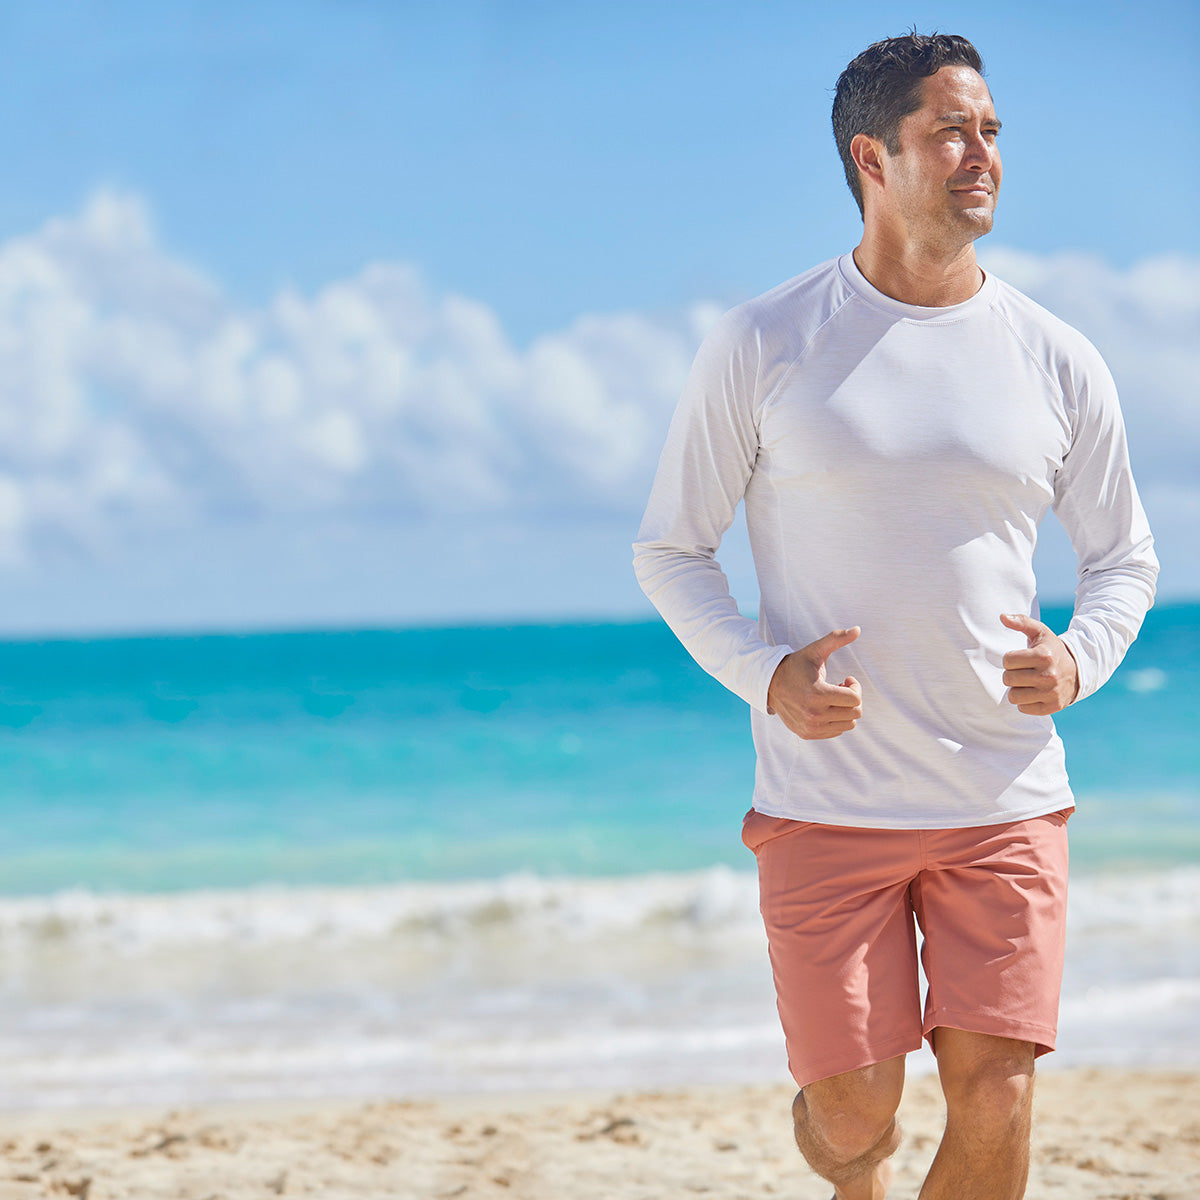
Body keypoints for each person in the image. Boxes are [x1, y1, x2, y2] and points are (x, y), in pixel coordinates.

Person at [632, 31, 1157, 1200]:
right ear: (873, 157)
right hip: (825, 806)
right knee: (857, 1120)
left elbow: (1125, 555)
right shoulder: (767, 342)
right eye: (952, 133)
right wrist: (768, 677)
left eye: (993, 131)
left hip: (1004, 797)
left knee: (1000, 1099)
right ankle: (846, 1147)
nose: (984, 155)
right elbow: (670, 549)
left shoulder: (1055, 357)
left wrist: (1078, 662)